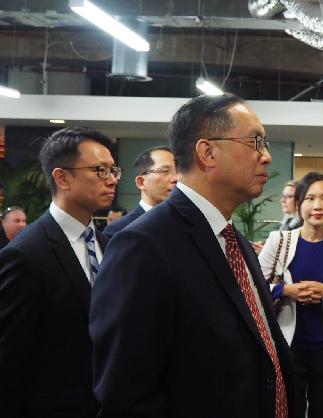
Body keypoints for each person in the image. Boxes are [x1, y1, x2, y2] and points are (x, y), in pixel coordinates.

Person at [90, 94, 296, 418]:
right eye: (256, 142)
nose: (267, 156)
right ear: (207, 152)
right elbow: (126, 394)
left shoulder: (233, 239)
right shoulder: (143, 246)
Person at [0, 127, 118, 417]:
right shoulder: (25, 254)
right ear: (62, 177)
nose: (112, 179)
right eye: (99, 170)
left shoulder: (108, 244)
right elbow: (8, 360)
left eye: (114, 169)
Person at [260, 172, 323, 418]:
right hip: (288, 346)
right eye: (310, 198)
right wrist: (285, 290)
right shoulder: (279, 240)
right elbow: (254, 285)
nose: (318, 206)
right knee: (290, 410)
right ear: (298, 204)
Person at [102, 146, 177, 239]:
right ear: (141, 182)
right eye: (165, 171)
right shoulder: (119, 230)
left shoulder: (188, 224)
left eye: (178, 172)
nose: (175, 178)